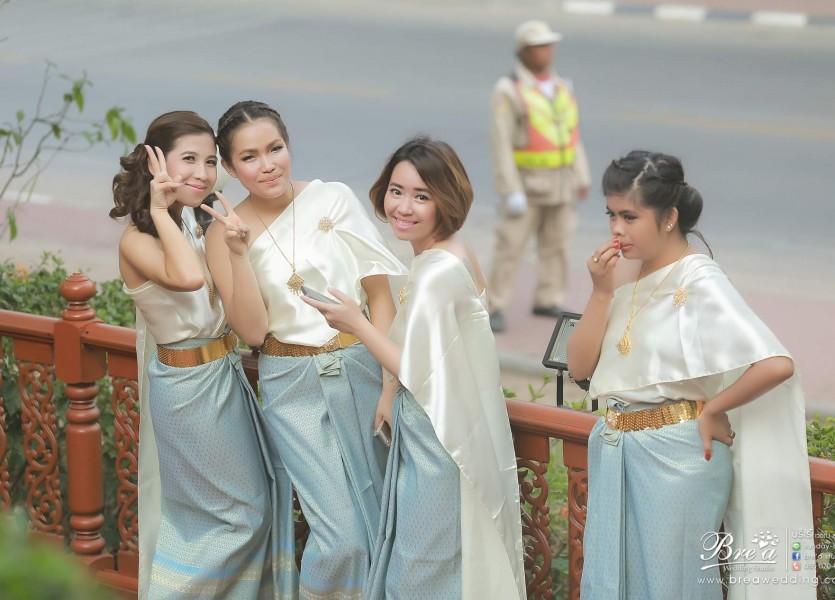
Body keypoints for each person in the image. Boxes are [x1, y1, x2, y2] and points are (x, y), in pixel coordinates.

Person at [567, 150, 815, 599]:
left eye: (629, 216)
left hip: (679, 461)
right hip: (617, 450)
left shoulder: (699, 279)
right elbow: (581, 368)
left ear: (668, 218)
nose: (616, 230)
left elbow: (776, 362)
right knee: (614, 584)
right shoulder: (627, 281)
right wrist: (601, 292)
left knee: (670, 587)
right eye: (610, 215)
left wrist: (715, 407)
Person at [303, 136, 526, 599]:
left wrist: (355, 323)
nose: (403, 206)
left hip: (439, 439)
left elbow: (413, 366)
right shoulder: (452, 253)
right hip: (444, 427)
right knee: (438, 566)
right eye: (397, 191)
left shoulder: (435, 274)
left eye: (421, 196)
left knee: (418, 572)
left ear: (447, 199)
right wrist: (387, 394)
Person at [205, 100, 408, 599]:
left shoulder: (333, 199)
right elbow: (253, 333)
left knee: (387, 523)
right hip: (290, 385)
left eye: (275, 148)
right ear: (229, 169)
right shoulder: (221, 233)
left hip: (362, 368)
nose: (268, 164)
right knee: (341, 538)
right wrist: (237, 251)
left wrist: (389, 387)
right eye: (249, 157)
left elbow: (381, 298)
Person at [110, 111, 294, 599]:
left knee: (252, 506)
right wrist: (160, 202)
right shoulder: (136, 239)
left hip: (225, 376)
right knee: (233, 517)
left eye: (210, 162)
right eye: (187, 160)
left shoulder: (195, 221)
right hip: (188, 388)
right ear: (155, 165)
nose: (202, 173)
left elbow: (231, 306)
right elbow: (188, 277)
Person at [487, 19, 592, 333]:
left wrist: (581, 175)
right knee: (510, 246)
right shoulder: (509, 89)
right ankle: (495, 304)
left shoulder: (560, 86)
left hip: (560, 183)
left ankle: (548, 297)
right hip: (527, 185)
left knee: (557, 244)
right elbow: (500, 143)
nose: (546, 52)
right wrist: (511, 190)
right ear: (524, 52)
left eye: (549, 45)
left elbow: (571, 134)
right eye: (538, 47)